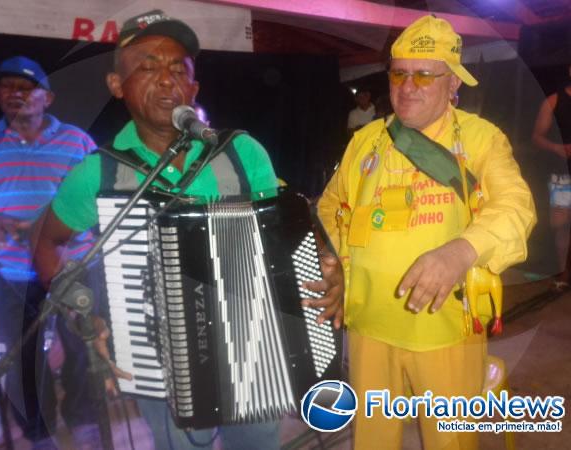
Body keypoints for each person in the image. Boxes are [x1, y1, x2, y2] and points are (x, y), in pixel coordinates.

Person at [30, 10, 344, 450]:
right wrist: (80, 310)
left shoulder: (242, 152)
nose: (165, 80)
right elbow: (47, 243)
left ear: (193, 88)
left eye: (178, 69)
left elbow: (290, 232)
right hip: (158, 364)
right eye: (147, 67)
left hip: (253, 352)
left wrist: (328, 269)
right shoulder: (97, 173)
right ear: (116, 86)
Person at [318, 15, 536, 450]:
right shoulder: (367, 140)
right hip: (367, 325)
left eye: (423, 74)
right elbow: (330, 206)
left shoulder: (480, 139)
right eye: (398, 72)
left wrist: (461, 252)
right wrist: (336, 264)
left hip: (443, 330)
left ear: (453, 83)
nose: (407, 85)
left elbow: (516, 208)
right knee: (372, 438)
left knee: (449, 441)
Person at [0, 56, 101, 449]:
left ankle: (84, 423)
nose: (15, 94)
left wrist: (97, 241)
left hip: (71, 266)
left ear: (48, 97)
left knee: (81, 348)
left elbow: (99, 199)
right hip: (10, 271)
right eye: (7, 87)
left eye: (26, 88)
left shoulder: (78, 141)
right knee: (22, 357)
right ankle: (40, 433)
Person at [532, 64, 571, 291]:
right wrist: (557, 147)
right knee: (561, 224)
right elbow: (536, 137)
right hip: (562, 174)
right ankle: (562, 273)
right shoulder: (554, 101)